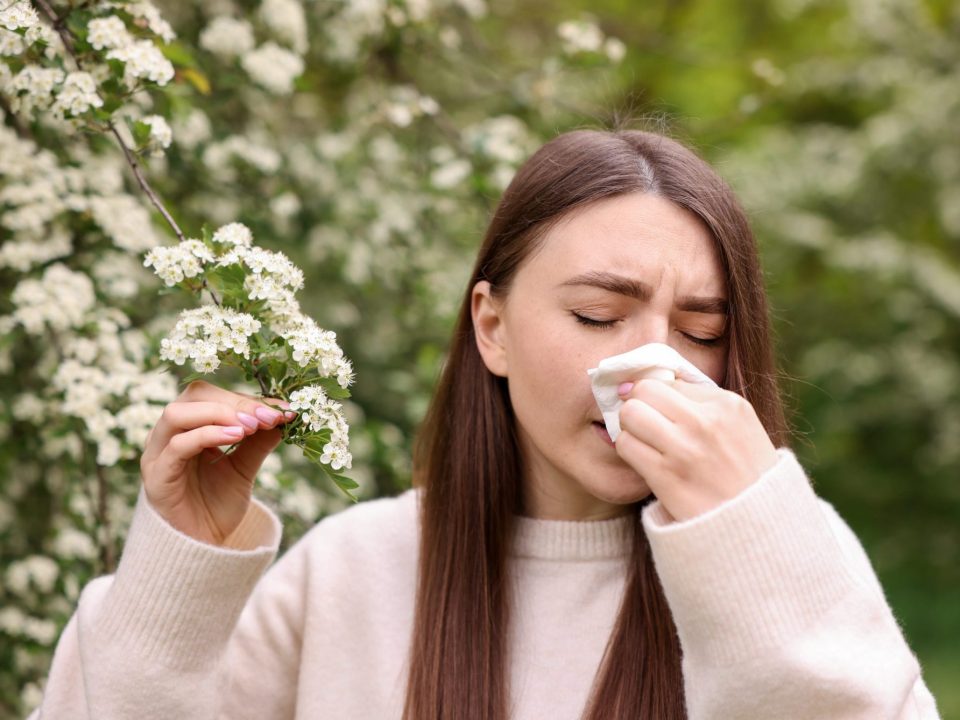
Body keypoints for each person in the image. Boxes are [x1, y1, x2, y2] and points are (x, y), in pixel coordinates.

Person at [31, 129, 941, 720]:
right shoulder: (353, 572)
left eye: (701, 332)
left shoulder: (794, 555)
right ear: (492, 326)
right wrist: (178, 571)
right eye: (596, 316)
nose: (652, 367)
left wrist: (748, 541)